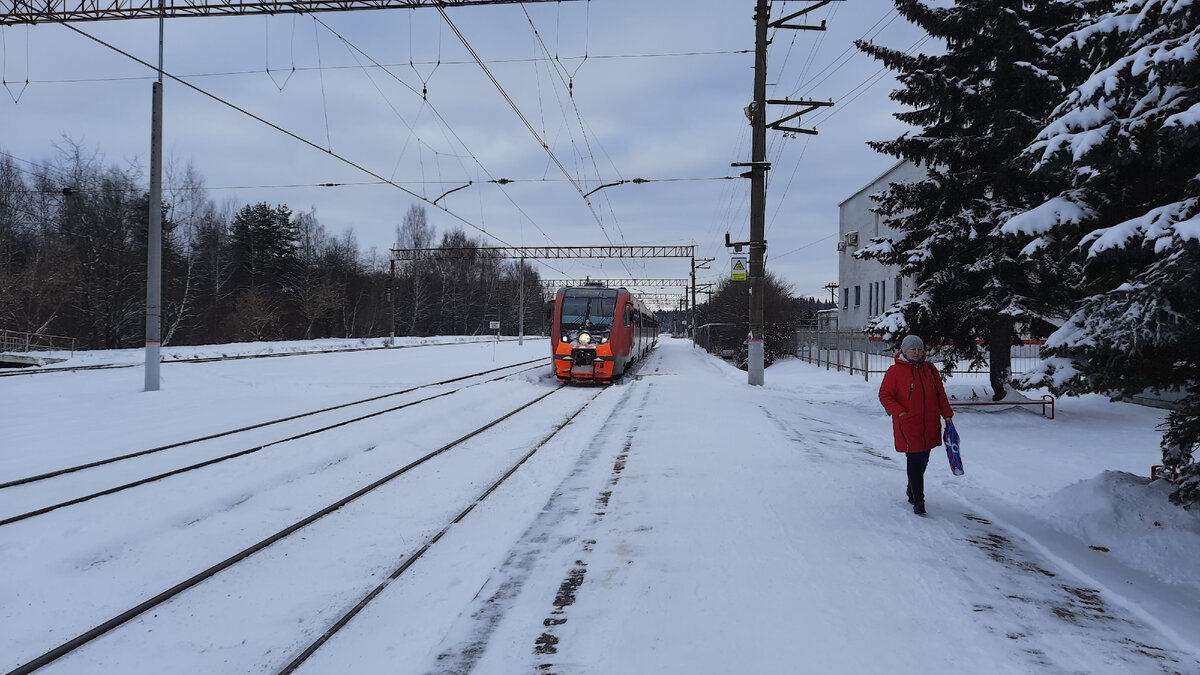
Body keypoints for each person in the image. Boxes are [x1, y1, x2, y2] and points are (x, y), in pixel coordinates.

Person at [878, 334, 953, 515]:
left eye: (920, 349)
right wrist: (900, 411)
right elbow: (885, 395)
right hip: (909, 423)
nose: (917, 353)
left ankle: (912, 488)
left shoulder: (930, 368)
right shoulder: (895, 371)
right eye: (913, 350)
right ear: (904, 351)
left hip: (930, 421)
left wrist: (947, 415)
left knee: (924, 457)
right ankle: (919, 500)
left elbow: (940, 394)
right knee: (914, 458)